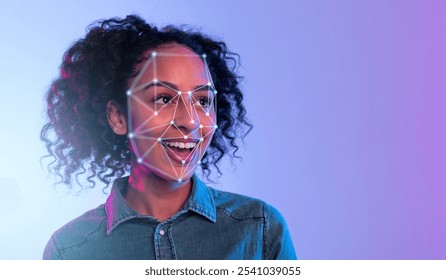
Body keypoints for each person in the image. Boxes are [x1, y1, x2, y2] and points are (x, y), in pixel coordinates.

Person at [41, 15, 296, 260]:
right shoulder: (70, 251)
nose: (189, 121)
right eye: (164, 99)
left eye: (202, 100)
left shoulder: (260, 229)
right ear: (118, 117)